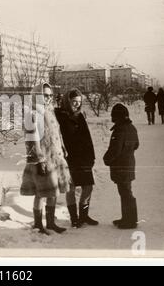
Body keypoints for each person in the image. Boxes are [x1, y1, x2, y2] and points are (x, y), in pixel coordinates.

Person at [20, 82, 71, 234]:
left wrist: (62, 147)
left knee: (53, 192)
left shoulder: (50, 112)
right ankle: (38, 224)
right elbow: (31, 140)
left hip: (56, 158)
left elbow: (57, 133)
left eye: (50, 95)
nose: (48, 98)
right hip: (42, 160)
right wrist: (39, 160)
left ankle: (50, 223)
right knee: (41, 194)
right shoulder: (32, 114)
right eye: (45, 95)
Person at [55, 88, 98, 228]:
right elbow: (55, 136)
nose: (77, 105)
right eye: (74, 102)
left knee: (88, 187)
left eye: (79, 102)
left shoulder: (80, 116)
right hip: (68, 157)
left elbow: (87, 136)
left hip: (83, 156)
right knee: (71, 188)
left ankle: (84, 217)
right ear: (67, 101)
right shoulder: (59, 115)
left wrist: (91, 155)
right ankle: (74, 218)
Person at [103, 104, 139, 229]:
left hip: (121, 166)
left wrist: (106, 159)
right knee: (126, 191)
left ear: (116, 116)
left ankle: (130, 221)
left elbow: (115, 150)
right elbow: (136, 145)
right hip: (129, 164)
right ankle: (127, 218)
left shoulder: (119, 130)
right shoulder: (131, 127)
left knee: (125, 193)